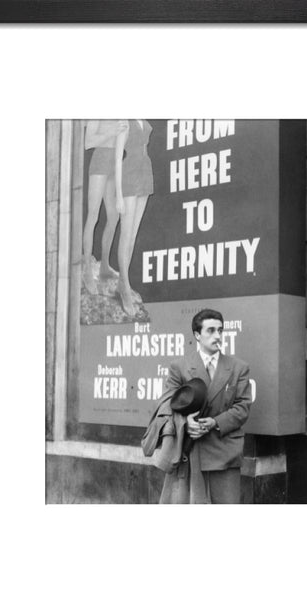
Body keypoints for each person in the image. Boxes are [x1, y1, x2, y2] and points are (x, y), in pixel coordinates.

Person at [159, 309, 252, 504]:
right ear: (197, 335)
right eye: (210, 330)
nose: (217, 336)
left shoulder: (238, 368)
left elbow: (243, 407)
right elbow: (167, 406)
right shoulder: (180, 367)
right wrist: (186, 423)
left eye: (220, 330)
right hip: (191, 452)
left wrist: (215, 422)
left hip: (224, 452)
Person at [114, 119, 154, 316]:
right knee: (126, 234)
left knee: (133, 236)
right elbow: (117, 158)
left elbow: (144, 147)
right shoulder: (124, 121)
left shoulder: (144, 121)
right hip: (129, 174)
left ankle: (123, 282)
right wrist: (119, 195)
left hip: (145, 172)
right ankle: (125, 287)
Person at [82, 120, 127, 295]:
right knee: (93, 216)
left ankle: (105, 266)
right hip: (100, 161)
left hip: (116, 163)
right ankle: (87, 270)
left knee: (114, 216)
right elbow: (88, 143)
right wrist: (112, 132)